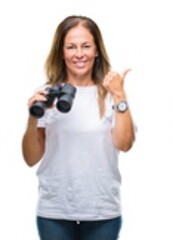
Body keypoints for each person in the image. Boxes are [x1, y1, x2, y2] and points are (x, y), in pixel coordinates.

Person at [21, 15, 136, 240]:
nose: (79, 54)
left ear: (96, 51)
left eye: (86, 46)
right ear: (62, 52)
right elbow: (30, 158)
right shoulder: (47, 93)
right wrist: (33, 117)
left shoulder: (111, 93)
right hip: (55, 210)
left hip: (101, 210)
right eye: (71, 47)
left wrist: (120, 94)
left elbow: (124, 144)